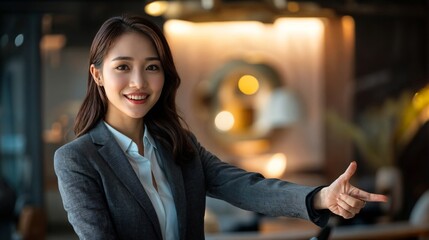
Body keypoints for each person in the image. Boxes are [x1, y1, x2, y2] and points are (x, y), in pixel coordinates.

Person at [54, 14, 388, 240]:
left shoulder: (178, 144)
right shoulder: (77, 159)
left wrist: (320, 197)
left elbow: (245, 186)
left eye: (151, 67)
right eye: (123, 67)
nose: (139, 82)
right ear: (98, 75)